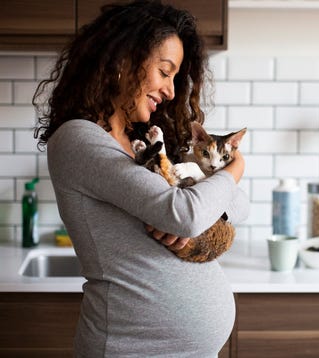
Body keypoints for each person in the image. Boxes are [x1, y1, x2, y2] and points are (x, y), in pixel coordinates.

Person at [33, 1, 249, 357]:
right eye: (165, 72)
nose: (172, 91)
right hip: (129, 348)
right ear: (122, 60)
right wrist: (236, 169)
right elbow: (183, 214)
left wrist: (209, 204)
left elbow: (240, 206)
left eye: (176, 78)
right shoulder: (78, 139)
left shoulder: (146, 140)